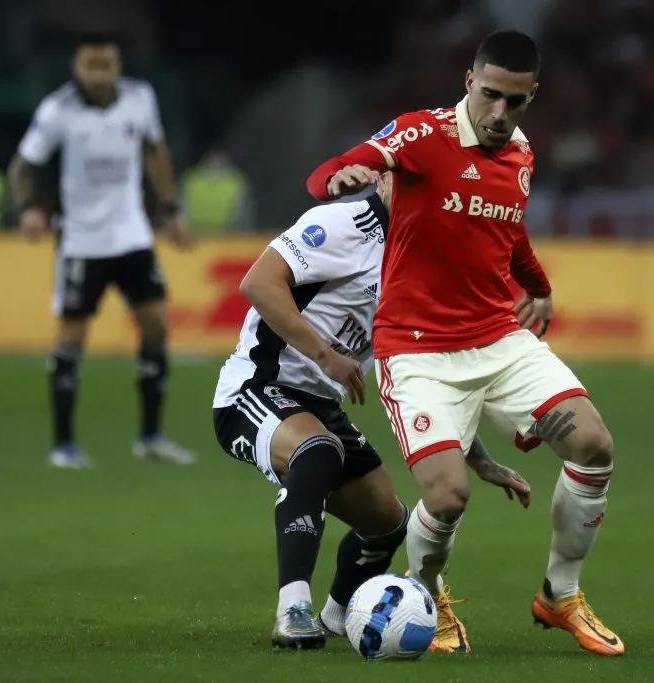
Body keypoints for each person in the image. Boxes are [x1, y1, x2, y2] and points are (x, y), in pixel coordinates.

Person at [306, 30, 624, 656]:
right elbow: (330, 172)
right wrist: (348, 176)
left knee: (593, 444)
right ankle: (425, 596)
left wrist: (538, 286)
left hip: (497, 337)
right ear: (469, 81)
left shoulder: (522, 153)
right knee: (448, 497)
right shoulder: (424, 135)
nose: (501, 114)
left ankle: (560, 594)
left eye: (516, 101)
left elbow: (508, 229)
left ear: (532, 97)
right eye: (490, 96)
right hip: (417, 349)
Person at [212, 172, 531, 650]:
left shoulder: (421, 263)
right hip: (257, 387)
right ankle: (292, 610)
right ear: (382, 180)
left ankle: (340, 618)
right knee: (317, 453)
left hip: (322, 404)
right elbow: (259, 282)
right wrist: (325, 355)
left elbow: (422, 376)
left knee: (387, 525)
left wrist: (479, 459)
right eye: (405, 180)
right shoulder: (345, 223)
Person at [7, 32, 196, 469]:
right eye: (90, 65)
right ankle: (63, 445)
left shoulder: (139, 98)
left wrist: (169, 211)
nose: (98, 73)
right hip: (81, 242)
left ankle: (150, 436)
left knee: (156, 326)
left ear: (118, 65)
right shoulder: (58, 111)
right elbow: (22, 167)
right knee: (72, 338)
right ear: (76, 66)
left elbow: (154, 152)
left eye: (106, 64)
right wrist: (30, 209)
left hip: (131, 236)